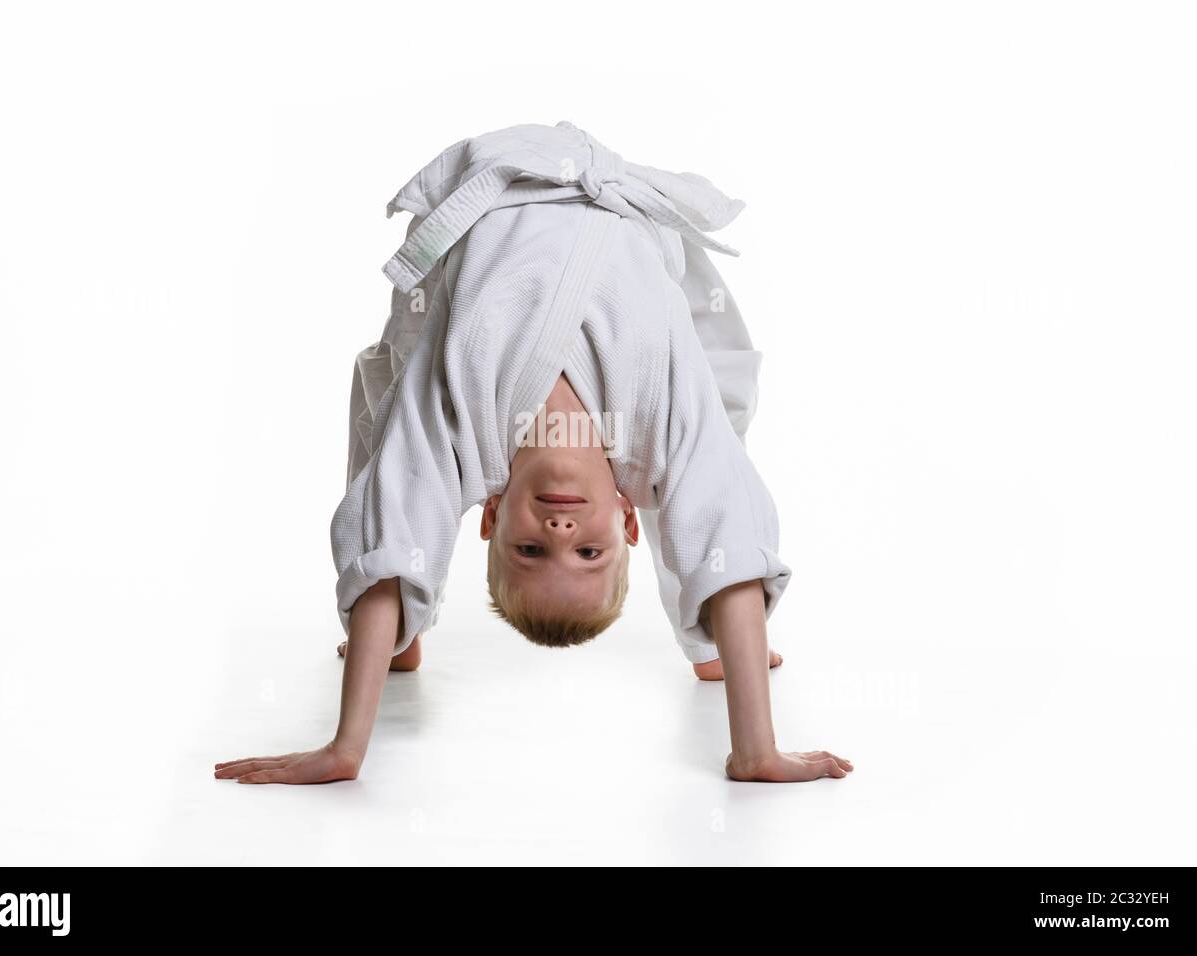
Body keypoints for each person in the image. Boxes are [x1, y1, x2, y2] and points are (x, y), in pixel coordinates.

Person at [215, 122, 852, 784]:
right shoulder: (653, 430)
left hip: (497, 190)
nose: (559, 531)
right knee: (709, 481)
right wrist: (756, 749)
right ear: (627, 523)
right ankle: (718, 641)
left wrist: (346, 747)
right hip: (622, 210)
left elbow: (397, 536)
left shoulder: (462, 429)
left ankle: (396, 638)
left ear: (489, 516)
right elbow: (730, 537)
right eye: (588, 552)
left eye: (529, 551)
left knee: (388, 445)